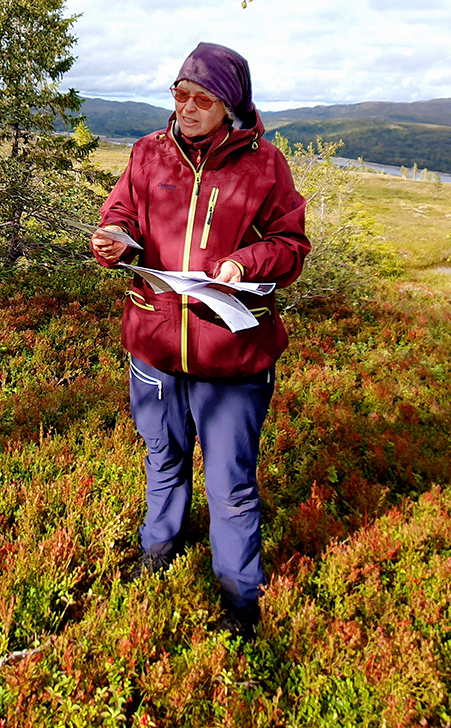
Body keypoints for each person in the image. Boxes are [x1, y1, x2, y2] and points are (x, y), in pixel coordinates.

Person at [91, 42, 309, 641]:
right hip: (155, 344)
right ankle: (158, 551)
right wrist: (113, 239)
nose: (186, 107)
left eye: (201, 99)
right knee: (162, 459)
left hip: (231, 356)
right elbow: (124, 216)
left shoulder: (265, 165)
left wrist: (245, 262)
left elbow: (291, 244)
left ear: (230, 104)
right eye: (179, 94)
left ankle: (241, 598)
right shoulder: (147, 154)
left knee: (231, 484)